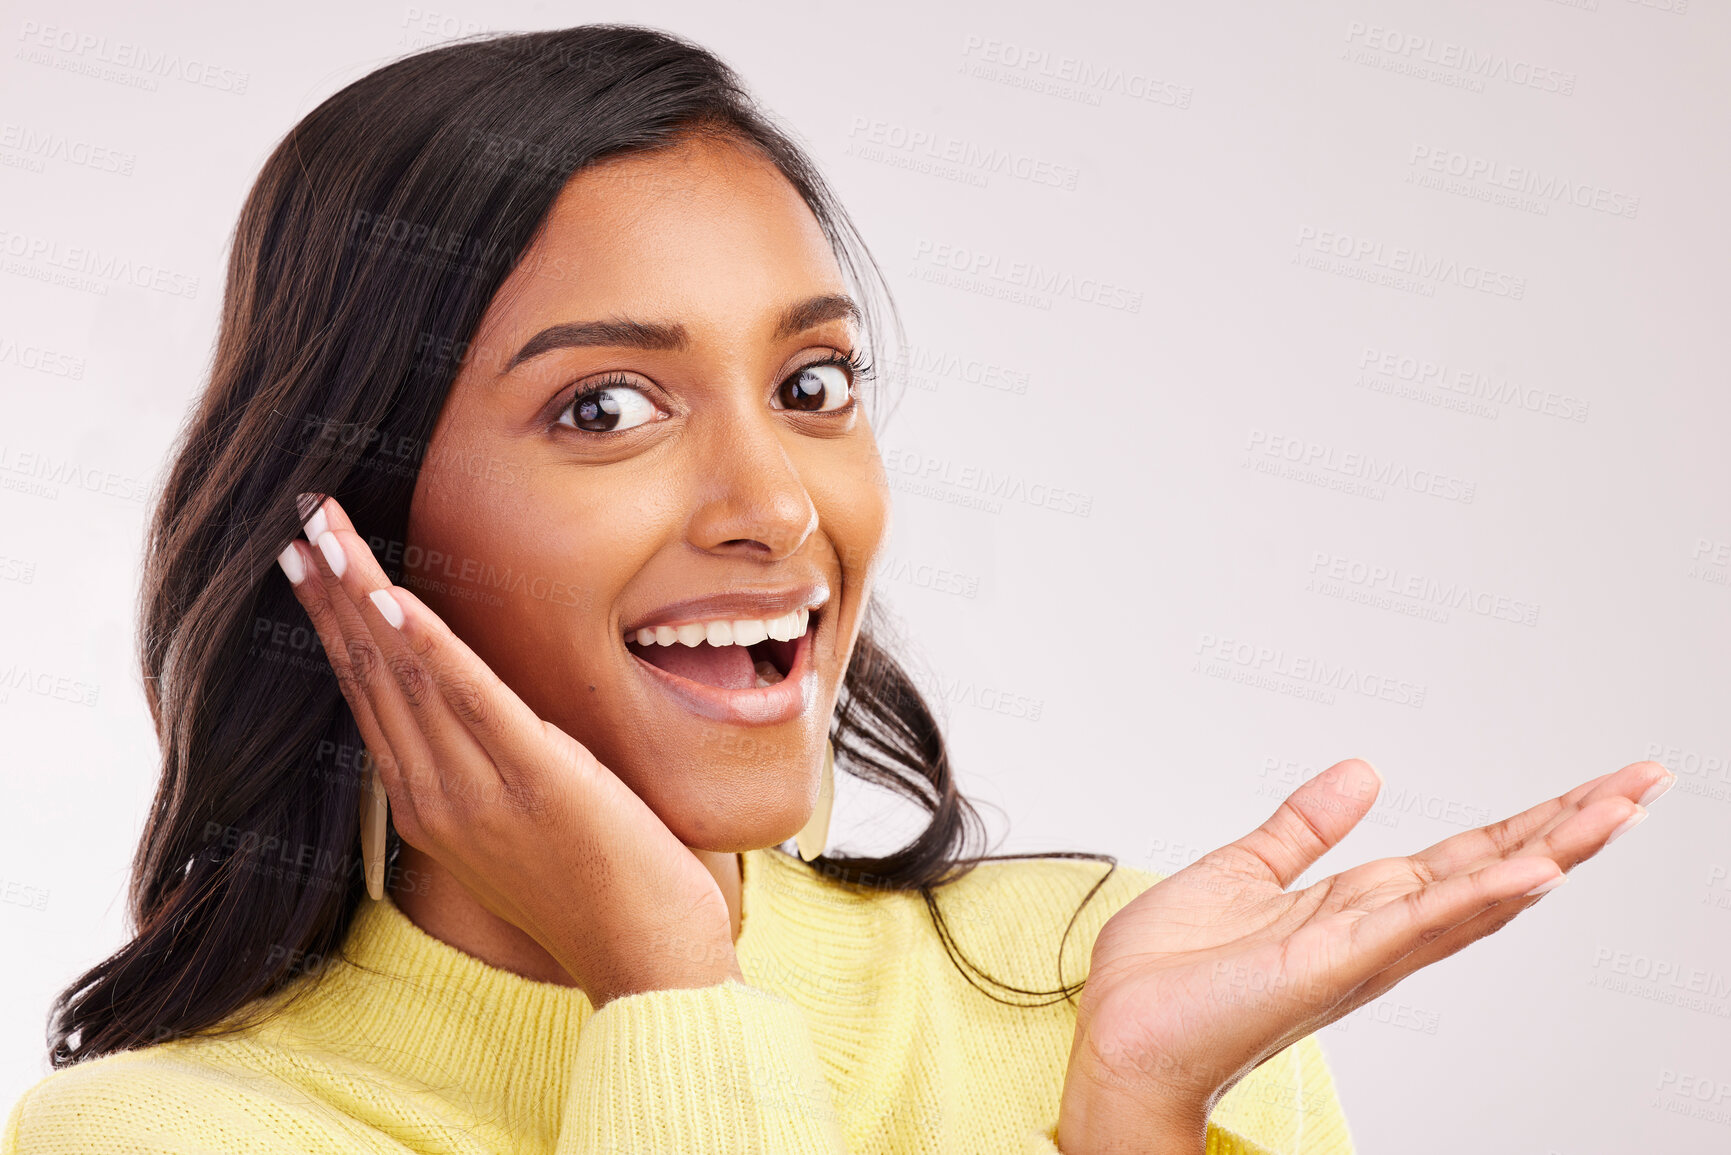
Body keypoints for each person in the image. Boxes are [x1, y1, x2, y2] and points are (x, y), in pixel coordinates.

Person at [1, 24, 1667, 1155]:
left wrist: (1138, 1119)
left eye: (813, 386)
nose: (776, 505)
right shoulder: (179, 1134)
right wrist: (665, 993)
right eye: (606, 408)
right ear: (351, 520)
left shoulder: (1106, 984)